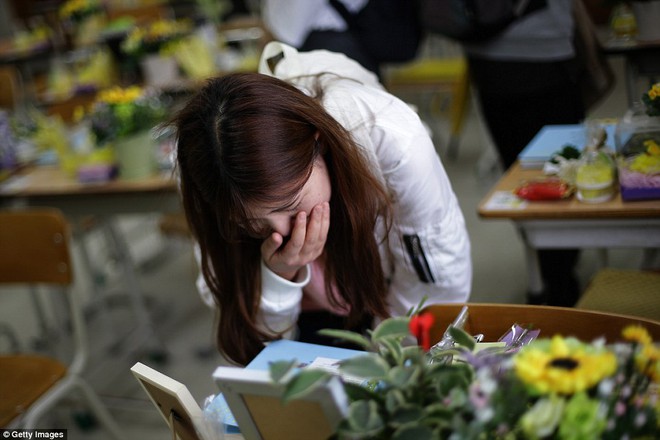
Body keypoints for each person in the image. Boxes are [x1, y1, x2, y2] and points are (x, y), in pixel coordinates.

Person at [171, 42, 472, 365]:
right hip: (308, 312)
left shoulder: (391, 138)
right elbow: (258, 349)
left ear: (319, 144)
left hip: (388, 293)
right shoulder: (209, 173)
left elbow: (435, 281)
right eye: (252, 224)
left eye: (290, 204)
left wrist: (390, 360)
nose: (284, 234)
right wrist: (280, 276)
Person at [462, 0, 584, 307]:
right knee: (561, 175)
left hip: (488, 58)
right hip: (543, 54)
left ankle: (547, 275)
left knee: (522, 179)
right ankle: (558, 281)